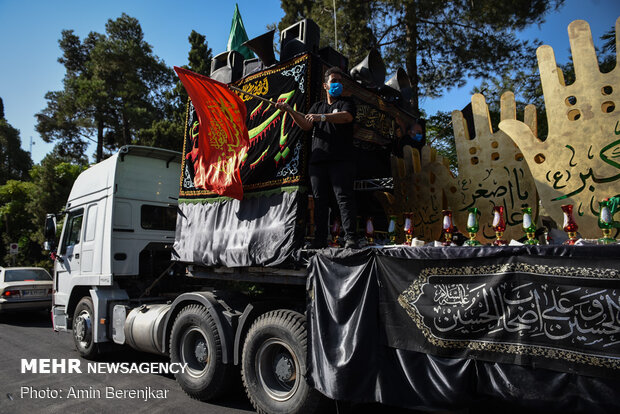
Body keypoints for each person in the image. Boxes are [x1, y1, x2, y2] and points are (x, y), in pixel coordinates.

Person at [275, 67, 358, 249]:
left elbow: (346, 118)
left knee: (343, 198)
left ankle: (351, 238)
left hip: (340, 159)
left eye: (339, 81)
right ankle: (319, 240)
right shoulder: (317, 106)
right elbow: (305, 124)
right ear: (325, 85)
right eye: (333, 81)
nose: (337, 84)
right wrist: (289, 110)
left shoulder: (346, 103)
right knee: (320, 201)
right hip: (318, 161)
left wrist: (321, 117)